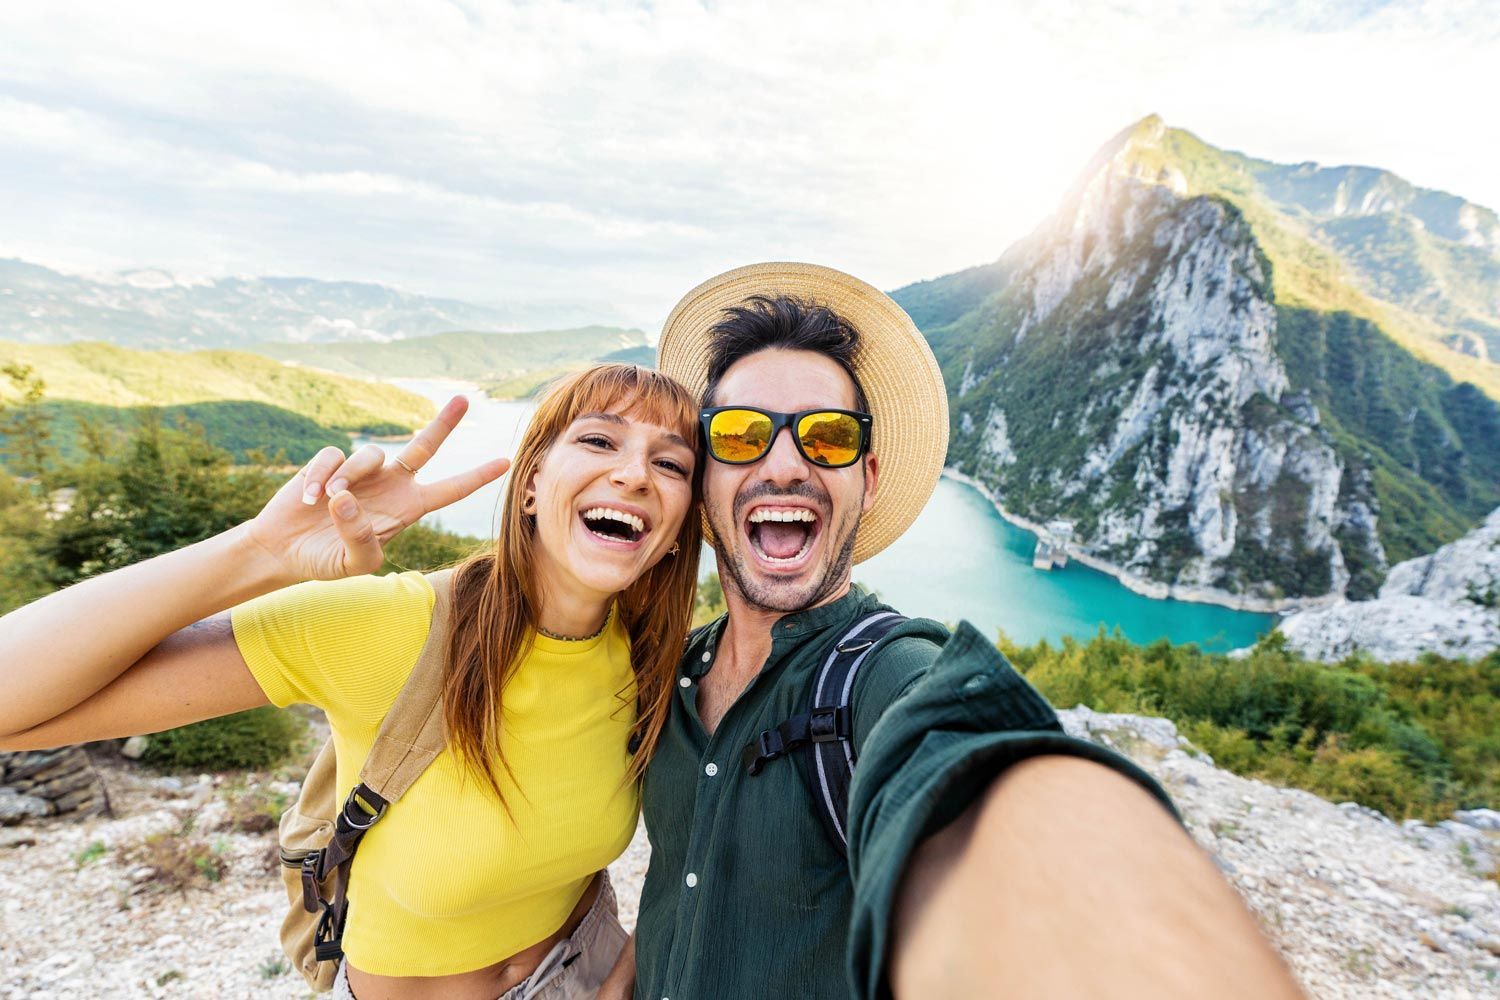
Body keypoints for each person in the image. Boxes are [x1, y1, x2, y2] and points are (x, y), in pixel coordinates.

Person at [600, 263, 1304, 999]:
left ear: (867, 478)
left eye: (828, 437)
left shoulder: (887, 677)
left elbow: (978, 783)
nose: (784, 465)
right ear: (705, 474)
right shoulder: (674, 675)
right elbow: (685, 874)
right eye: (742, 435)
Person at [0, 363, 704, 1000]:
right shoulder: (390, 626)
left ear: (676, 530)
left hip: (590, 966)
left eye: (669, 463)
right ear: (529, 488)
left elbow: (697, 849)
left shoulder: (659, 659)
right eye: (600, 442)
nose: (635, 475)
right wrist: (260, 552)